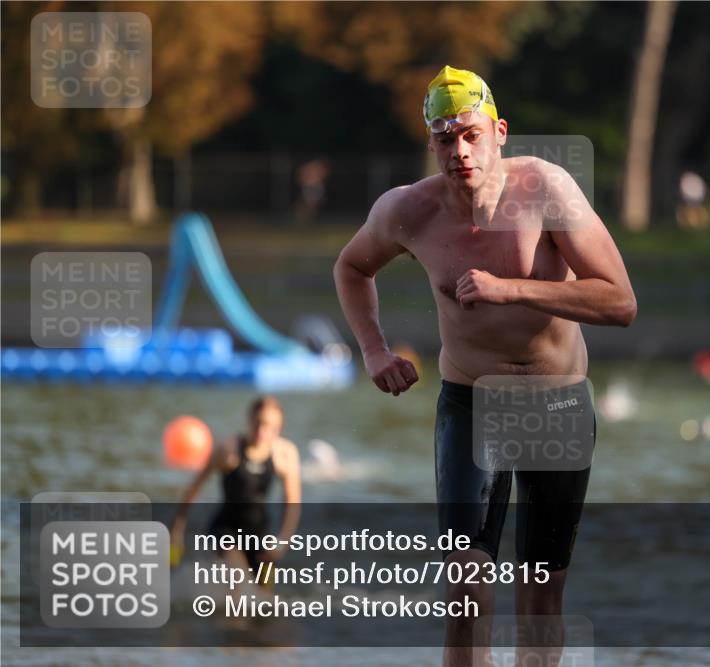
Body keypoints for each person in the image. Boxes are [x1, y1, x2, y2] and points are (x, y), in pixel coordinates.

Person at [334, 65, 636, 666]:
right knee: (466, 596)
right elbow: (351, 267)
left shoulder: (548, 191)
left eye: (471, 135)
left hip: (557, 406)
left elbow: (620, 301)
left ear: (499, 132)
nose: (460, 152)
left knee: (541, 599)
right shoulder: (409, 211)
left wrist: (512, 290)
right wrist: (373, 350)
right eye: (445, 140)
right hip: (472, 404)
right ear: (431, 146)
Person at [170, 396, 302, 579]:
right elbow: (194, 489)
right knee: (239, 579)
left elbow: (292, 504)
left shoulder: (285, 454)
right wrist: (177, 529)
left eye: (270, 426)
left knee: (265, 601)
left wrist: (282, 542)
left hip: (260, 535)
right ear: (250, 420)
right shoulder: (228, 451)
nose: (263, 431)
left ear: (279, 428)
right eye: (259, 423)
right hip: (226, 531)